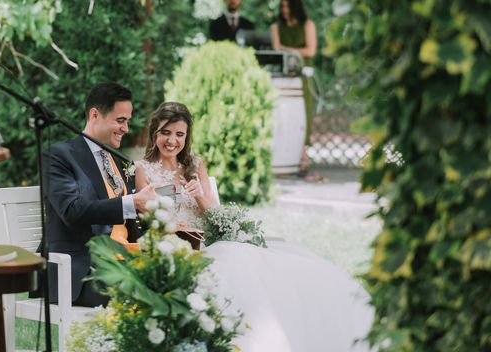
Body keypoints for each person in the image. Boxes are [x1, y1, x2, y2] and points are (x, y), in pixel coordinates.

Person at [135, 102, 373, 352]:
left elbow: (215, 213)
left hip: (206, 240)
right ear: (155, 133)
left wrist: (198, 196)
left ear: (187, 136)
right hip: (177, 245)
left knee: (251, 264)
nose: (172, 140)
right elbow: (146, 215)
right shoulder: (143, 169)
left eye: (179, 134)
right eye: (165, 132)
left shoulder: (195, 165)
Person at [43, 82, 156, 307]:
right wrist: (131, 202)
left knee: (176, 276)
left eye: (128, 121)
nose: (126, 128)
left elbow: (130, 222)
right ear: (95, 114)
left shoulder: (119, 159)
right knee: (140, 287)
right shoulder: (58, 156)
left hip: (125, 258)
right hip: (79, 269)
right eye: (120, 120)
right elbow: (71, 210)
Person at [270, 0, 319, 179]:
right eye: (282, 7)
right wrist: (293, 51)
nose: (284, 10)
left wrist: (288, 49)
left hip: (303, 75)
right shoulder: (276, 26)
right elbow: (276, 50)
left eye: (287, 6)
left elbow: (311, 50)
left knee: (304, 114)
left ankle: (302, 155)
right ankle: (286, 154)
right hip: (283, 76)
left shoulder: (307, 24)